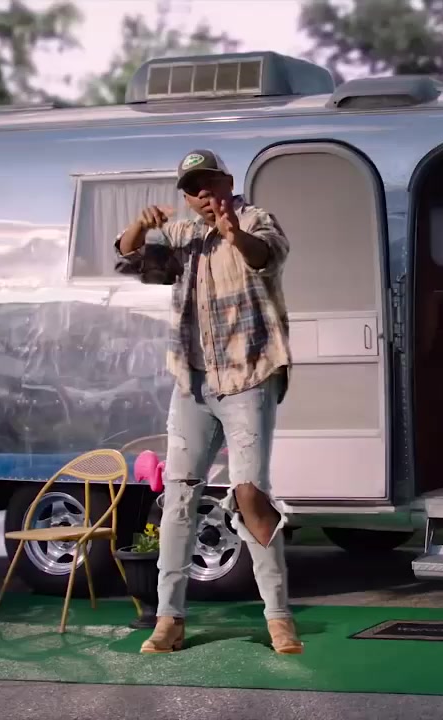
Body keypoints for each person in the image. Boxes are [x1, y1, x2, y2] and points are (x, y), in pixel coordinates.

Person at [113, 149, 302, 655]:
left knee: (250, 495)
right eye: (191, 188)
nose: (201, 194)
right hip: (193, 383)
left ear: (226, 181)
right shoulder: (183, 235)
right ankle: (168, 620)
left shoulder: (255, 220)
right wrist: (140, 225)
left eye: (208, 183)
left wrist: (233, 232)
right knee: (177, 498)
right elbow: (129, 258)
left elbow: (267, 256)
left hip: (248, 377)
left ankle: (279, 618)